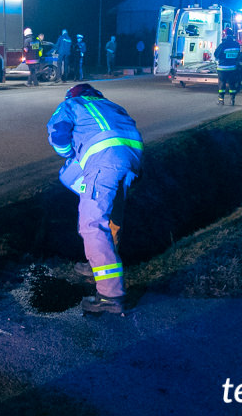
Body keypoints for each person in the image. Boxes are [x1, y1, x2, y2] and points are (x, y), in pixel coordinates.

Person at [47, 83, 143, 315]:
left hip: (104, 161)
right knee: (112, 216)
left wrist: (70, 155)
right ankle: (97, 266)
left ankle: (110, 295)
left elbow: (58, 133)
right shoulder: (113, 106)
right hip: (132, 159)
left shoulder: (71, 103)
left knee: (91, 224)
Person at [214, 27, 241, 105]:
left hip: (222, 68)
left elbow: (216, 55)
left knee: (222, 83)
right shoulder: (237, 44)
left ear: (224, 35)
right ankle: (232, 100)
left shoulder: (223, 44)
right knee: (232, 84)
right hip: (232, 68)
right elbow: (238, 55)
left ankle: (221, 100)